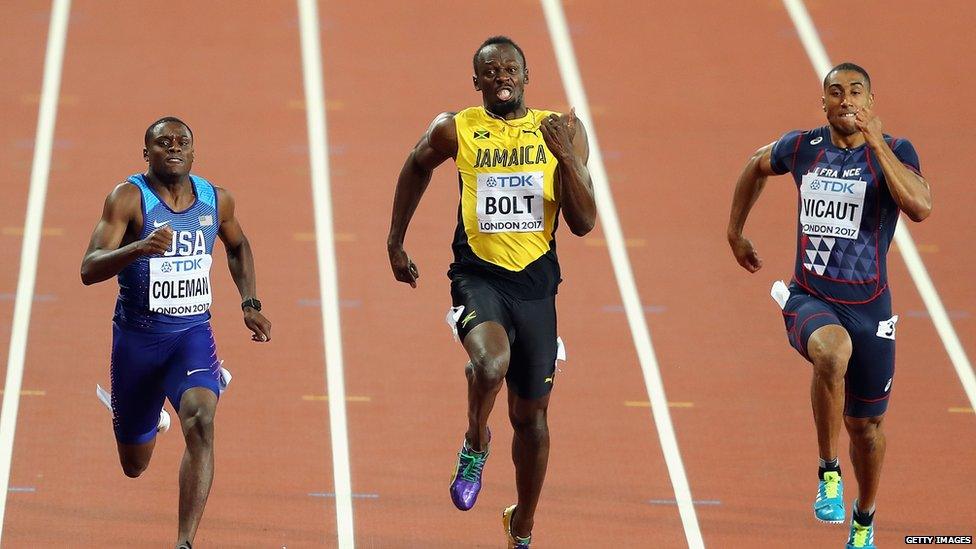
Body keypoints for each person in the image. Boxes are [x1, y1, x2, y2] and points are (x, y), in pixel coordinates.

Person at [387, 36, 596, 548]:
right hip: (477, 276)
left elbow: (584, 222)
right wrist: (396, 241)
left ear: (527, 77)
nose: (502, 76)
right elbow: (416, 165)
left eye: (511, 68)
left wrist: (565, 155)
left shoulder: (563, 129)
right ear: (476, 81)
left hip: (537, 286)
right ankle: (475, 442)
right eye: (491, 69)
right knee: (489, 364)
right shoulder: (456, 129)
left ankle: (521, 524)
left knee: (532, 419)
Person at [727, 63, 931, 549]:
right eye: (835, 93)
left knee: (867, 429)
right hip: (811, 297)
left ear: (871, 100)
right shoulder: (803, 147)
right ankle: (828, 471)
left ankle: (864, 517)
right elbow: (756, 164)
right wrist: (735, 232)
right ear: (823, 103)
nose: (846, 101)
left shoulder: (897, 151)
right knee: (831, 353)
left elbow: (921, 206)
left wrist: (876, 143)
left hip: (872, 310)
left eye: (855, 92)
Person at [81, 116, 272, 549]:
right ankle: (152, 419)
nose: (173, 147)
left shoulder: (215, 200)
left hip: (191, 336)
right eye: (162, 142)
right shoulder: (129, 199)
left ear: (193, 151)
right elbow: (88, 268)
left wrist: (250, 303)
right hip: (137, 342)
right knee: (134, 465)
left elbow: (238, 245)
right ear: (145, 153)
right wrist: (137, 248)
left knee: (203, 422)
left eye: (181, 141)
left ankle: (184, 542)